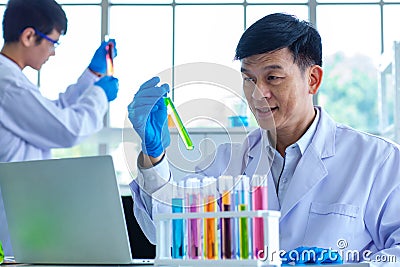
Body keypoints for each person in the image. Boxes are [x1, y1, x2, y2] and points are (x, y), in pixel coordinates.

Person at [128, 13, 400, 265]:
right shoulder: (226, 161)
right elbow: (164, 232)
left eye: (273, 77)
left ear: (313, 80)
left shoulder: (378, 161)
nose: (258, 93)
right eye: (249, 79)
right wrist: (153, 156)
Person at [0, 0, 119, 256]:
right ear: (29, 36)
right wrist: (98, 96)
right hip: (10, 217)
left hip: (23, 214)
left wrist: (92, 75)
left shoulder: (12, 80)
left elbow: (52, 113)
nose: (52, 52)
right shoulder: (7, 85)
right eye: (52, 42)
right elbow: (66, 130)